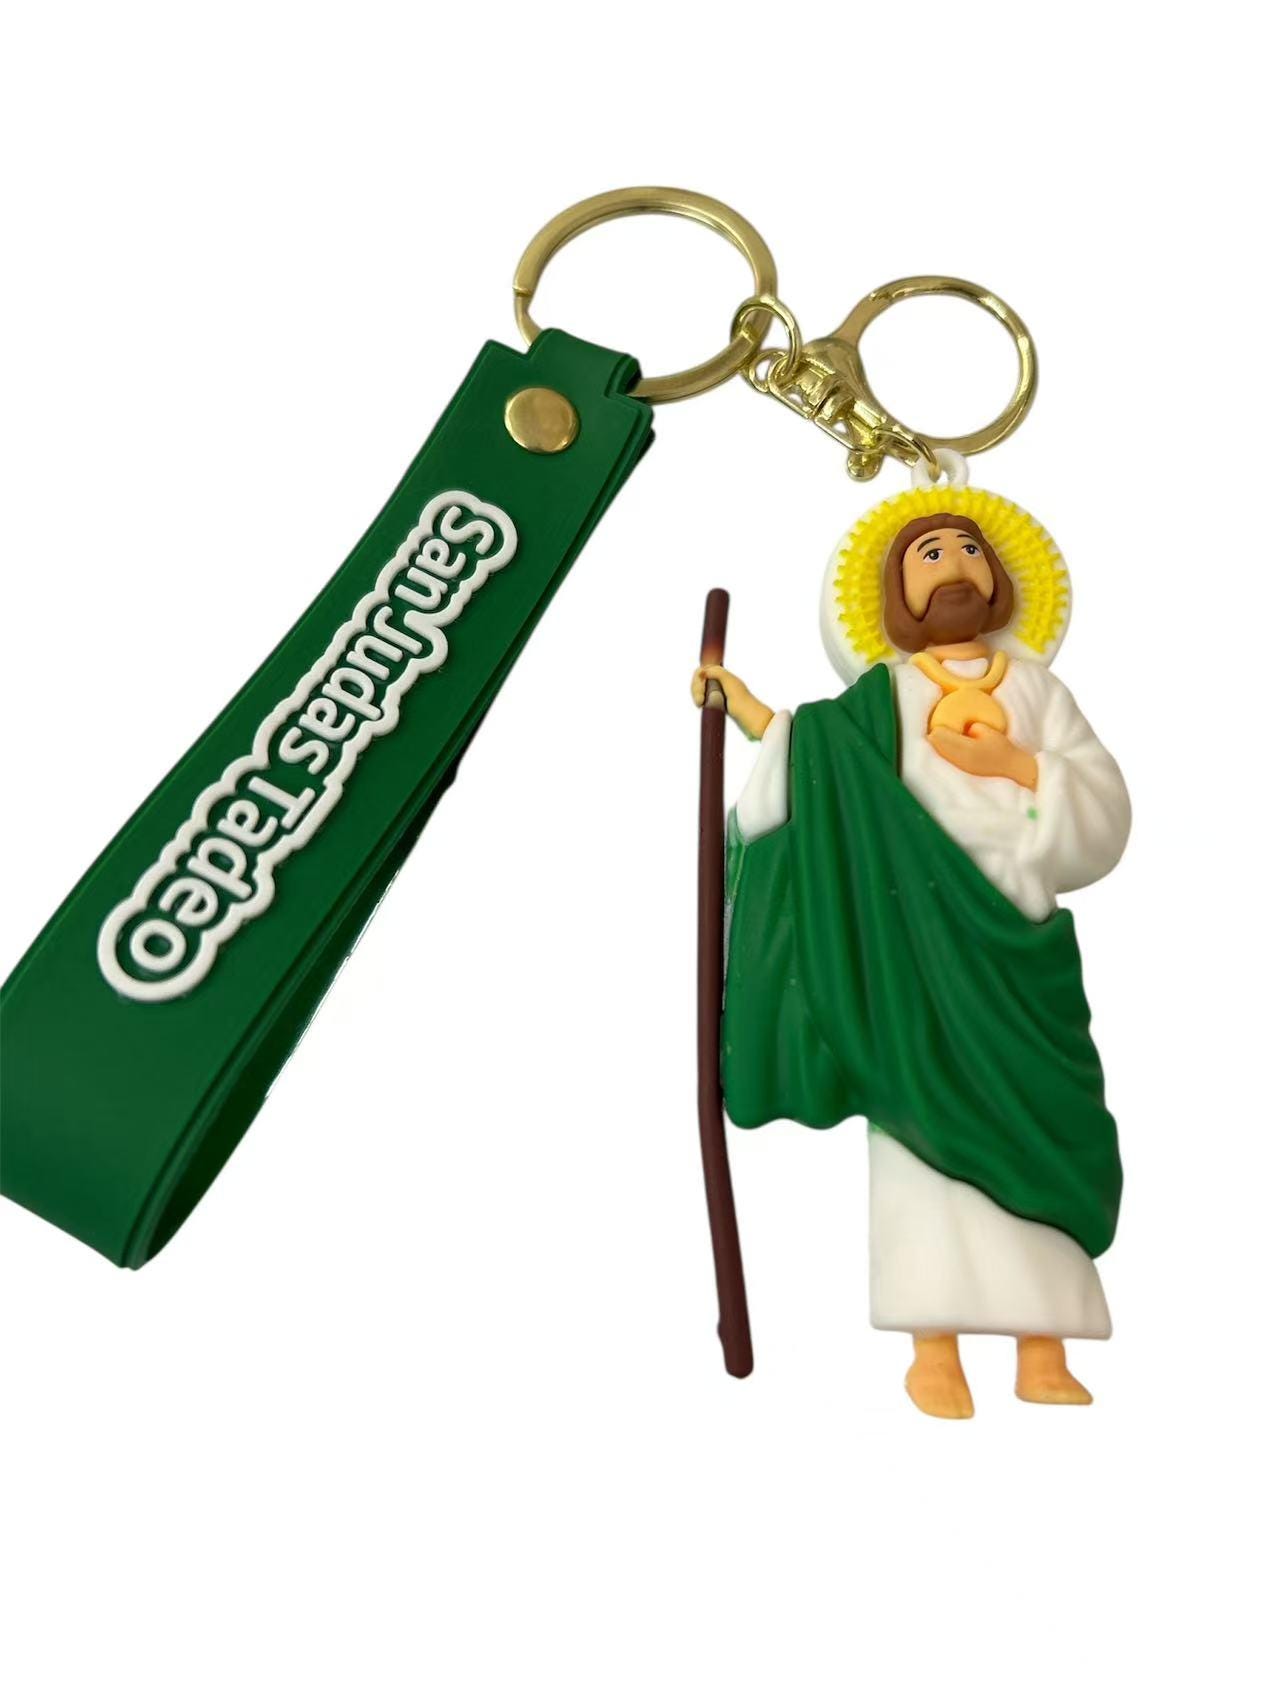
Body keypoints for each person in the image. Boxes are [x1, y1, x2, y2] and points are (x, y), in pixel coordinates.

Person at [692, 498, 1130, 1418]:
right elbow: (815, 753)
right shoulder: (882, 696)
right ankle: (935, 1349)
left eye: (968, 548)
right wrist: (747, 710)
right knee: (916, 1124)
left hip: (1016, 934)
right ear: (894, 594)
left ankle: (1043, 1347)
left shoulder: (1040, 692)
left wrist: (1017, 764)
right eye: (928, 554)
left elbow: (1102, 807)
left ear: (1000, 578)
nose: (953, 563)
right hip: (910, 946)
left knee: (1043, 1120)